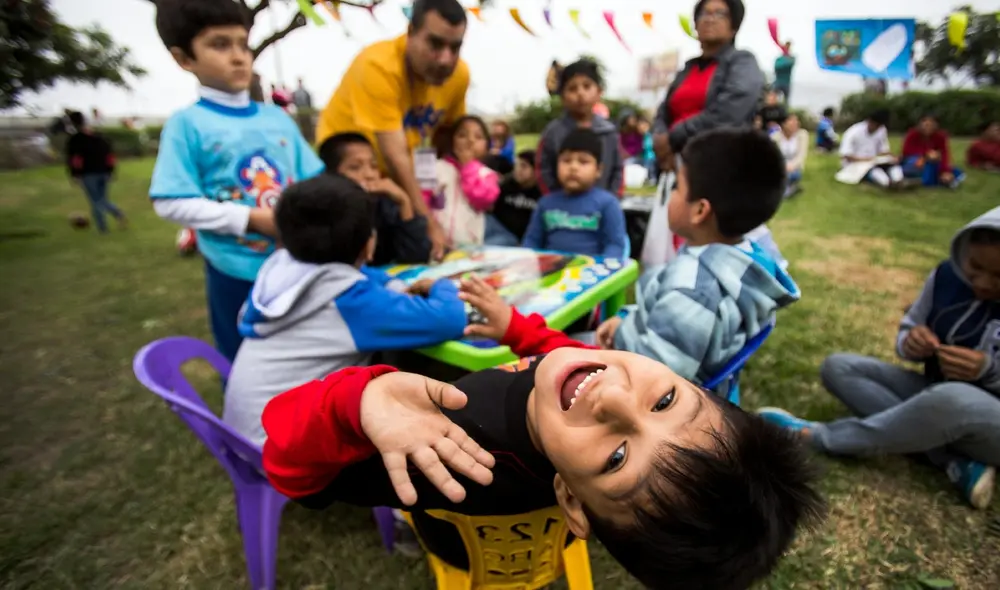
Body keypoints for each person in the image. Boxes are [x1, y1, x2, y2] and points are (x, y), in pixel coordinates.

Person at [260, 273, 825, 589]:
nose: (614, 399)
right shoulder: (580, 389)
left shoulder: (449, 452)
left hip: (460, 548)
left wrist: (356, 401)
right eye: (668, 399)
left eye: (617, 458)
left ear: (572, 503)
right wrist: (519, 331)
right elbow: (568, 357)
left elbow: (290, 472)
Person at [759, 207, 1000, 510]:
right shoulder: (947, 276)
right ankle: (953, 460)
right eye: (976, 267)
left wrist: (989, 370)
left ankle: (821, 437)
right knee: (839, 367)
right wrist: (911, 342)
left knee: (953, 399)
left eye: (998, 276)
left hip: (984, 417)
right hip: (934, 394)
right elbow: (910, 327)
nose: (984, 283)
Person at [223, 175, 466, 446]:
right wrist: (442, 284)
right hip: (285, 452)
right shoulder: (351, 302)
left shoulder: (285, 269)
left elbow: (361, 274)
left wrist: (394, 285)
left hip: (248, 435)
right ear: (369, 243)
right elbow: (449, 319)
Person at [150, 0, 325, 362]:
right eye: (219, 45)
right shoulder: (187, 124)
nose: (238, 57)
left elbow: (314, 181)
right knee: (244, 362)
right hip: (234, 272)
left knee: (302, 359)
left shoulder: (278, 120)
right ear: (184, 59)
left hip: (297, 267)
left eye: (242, 44)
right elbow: (170, 201)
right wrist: (249, 219)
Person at [593, 128, 798, 382]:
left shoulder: (694, 291)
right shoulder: (735, 259)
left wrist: (620, 339)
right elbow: (664, 312)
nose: (672, 193)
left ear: (700, 210)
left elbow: (654, 378)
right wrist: (625, 321)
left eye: (678, 186)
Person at [316, 0, 470, 261]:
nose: (446, 59)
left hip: (401, 183)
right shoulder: (378, 66)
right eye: (435, 44)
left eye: (455, 47)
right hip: (350, 179)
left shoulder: (459, 76)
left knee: (417, 251)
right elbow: (394, 156)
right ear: (410, 33)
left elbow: (446, 135)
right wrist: (428, 222)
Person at [652, 0, 763, 170]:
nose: (709, 19)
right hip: (679, 166)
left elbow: (728, 114)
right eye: (704, 13)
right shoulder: (689, 67)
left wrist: (673, 137)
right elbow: (664, 109)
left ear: (734, 26)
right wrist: (660, 138)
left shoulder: (742, 62)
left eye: (719, 14)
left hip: (721, 166)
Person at [318, 133, 432, 266]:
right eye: (355, 167)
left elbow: (417, 257)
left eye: (373, 166)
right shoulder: (323, 215)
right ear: (331, 175)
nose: (370, 175)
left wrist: (404, 202)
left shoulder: (383, 204)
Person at [523, 129, 627, 258]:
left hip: (592, 273)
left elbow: (615, 245)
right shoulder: (546, 204)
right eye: (566, 161)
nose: (573, 167)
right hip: (551, 272)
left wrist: (604, 269)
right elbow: (532, 241)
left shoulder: (607, 204)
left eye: (583, 162)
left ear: (599, 170)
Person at [536, 59, 623, 195]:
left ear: (599, 92)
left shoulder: (609, 133)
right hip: (562, 211)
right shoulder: (553, 133)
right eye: (572, 89)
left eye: (587, 86)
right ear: (563, 96)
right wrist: (554, 201)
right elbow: (543, 170)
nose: (580, 93)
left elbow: (618, 171)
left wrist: (611, 201)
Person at [429, 115, 499, 247]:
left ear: (487, 146)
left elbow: (482, 200)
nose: (470, 140)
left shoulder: (487, 175)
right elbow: (423, 198)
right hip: (435, 242)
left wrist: (468, 167)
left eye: (478, 137)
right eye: (462, 135)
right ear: (451, 141)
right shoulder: (436, 168)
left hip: (468, 247)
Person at [65, 111, 128, 233]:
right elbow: (110, 157)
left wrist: (75, 174)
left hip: (88, 174)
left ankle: (103, 228)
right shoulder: (101, 138)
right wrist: (111, 171)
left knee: (96, 201)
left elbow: (75, 160)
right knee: (102, 199)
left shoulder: (76, 140)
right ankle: (117, 214)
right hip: (103, 172)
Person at [838, 109, 905, 190]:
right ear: (869, 121)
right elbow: (846, 156)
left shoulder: (881, 130)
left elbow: (883, 150)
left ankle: (899, 181)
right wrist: (867, 159)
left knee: (893, 166)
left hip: (873, 161)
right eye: (876, 125)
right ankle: (887, 184)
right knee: (875, 171)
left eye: (879, 126)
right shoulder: (853, 132)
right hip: (855, 164)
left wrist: (892, 157)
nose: (876, 129)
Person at [491, 149, 541, 244]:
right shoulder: (505, 185)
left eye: (523, 166)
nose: (518, 170)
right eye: (516, 165)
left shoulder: (541, 193)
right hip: (499, 230)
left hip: (522, 239)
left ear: (535, 170)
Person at [901, 114, 962, 188]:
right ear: (920, 124)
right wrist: (927, 154)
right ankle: (920, 180)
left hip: (932, 163)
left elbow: (944, 154)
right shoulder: (912, 134)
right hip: (914, 162)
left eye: (931, 124)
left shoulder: (940, 137)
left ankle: (943, 179)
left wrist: (945, 170)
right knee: (916, 163)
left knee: (954, 171)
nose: (927, 127)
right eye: (925, 124)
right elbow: (906, 151)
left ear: (936, 125)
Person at [774, 113, 808, 198]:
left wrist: (791, 166)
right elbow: (772, 157)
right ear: (783, 124)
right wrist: (781, 166)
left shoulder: (802, 135)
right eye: (792, 121)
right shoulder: (775, 137)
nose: (796, 123)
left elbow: (801, 155)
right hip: (779, 168)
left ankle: (788, 188)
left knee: (787, 178)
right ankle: (790, 187)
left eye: (796, 121)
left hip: (794, 168)